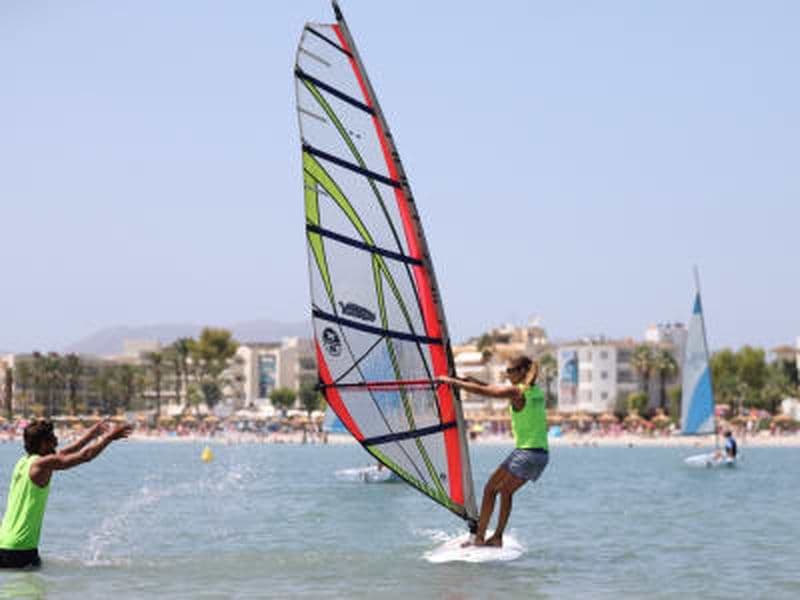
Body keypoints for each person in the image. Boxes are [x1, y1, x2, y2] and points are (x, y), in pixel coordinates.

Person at [439, 356, 548, 547]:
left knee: (490, 490)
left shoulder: (517, 391)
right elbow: (492, 388)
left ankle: (480, 537)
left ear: (522, 371)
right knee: (505, 492)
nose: (507, 375)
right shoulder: (535, 391)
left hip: (526, 453)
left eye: (510, 371)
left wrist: (451, 382)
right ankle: (496, 537)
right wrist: (473, 381)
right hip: (540, 455)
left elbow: (486, 392)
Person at [0, 418, 132, 569]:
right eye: (53, 439)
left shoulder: (23, 462)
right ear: (44, 444)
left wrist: (91, 435)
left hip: (3, 543)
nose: (56, 443)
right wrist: (108, 438)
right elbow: (84, 456)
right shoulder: (42, 464)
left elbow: (64, 453)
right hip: (20, 550)